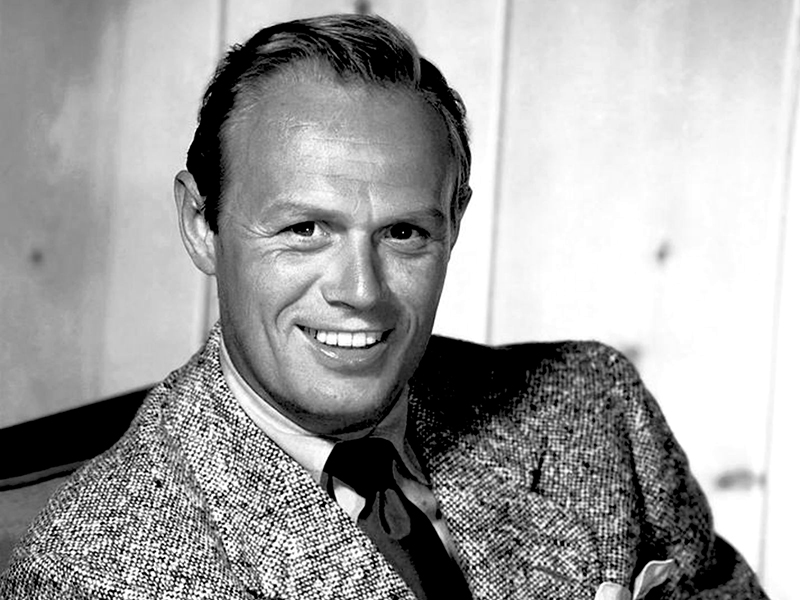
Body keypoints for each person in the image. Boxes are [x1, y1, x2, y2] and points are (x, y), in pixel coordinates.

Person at [0, 13, 767, 600]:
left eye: (403, 233)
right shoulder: (94, 567)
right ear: (202, 225)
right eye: (305, 230)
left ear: (454, 223)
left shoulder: (593, 409)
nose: (361, 292)